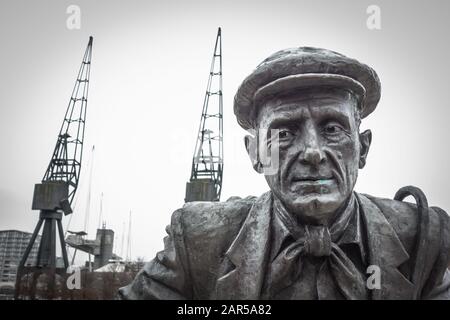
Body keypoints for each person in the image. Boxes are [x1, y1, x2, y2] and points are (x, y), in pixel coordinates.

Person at [118, 47, 450, 299]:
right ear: (255, 154)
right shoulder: (198, 238)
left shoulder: (423, 237)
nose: (313, 152)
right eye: (284, 133)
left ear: (362, 148)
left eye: (332, 128)